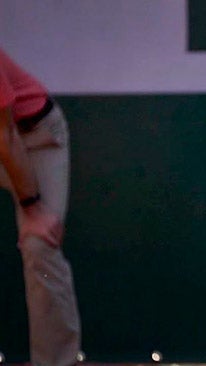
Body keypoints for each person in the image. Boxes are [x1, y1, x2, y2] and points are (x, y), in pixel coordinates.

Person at [0, 47, 81, 365]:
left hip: (33, 140)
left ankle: (55, 362)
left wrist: (33, 210)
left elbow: (5, 137)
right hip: (7, 140)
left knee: (38, 245)